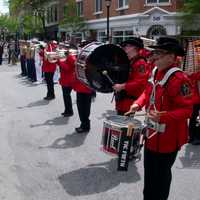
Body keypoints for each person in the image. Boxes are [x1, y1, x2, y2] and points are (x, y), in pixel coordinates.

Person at [125, 37, 193, 200]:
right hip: (151, 134)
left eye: (159, 54)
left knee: (161, 177)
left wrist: (165, 117)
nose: (154, 57)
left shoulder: (180, 79)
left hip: (169, 138)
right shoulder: (155, 72)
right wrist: (137, 104)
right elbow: (147, 93)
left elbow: (187, 110)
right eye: (155, 52)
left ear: (172, 56)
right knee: (149, 175)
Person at [112, 38, 149, 115]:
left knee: (125, 125)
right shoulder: (129, 60)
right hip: (122, 99)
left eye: (127, 45)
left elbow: (141, 83)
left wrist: (122, 86)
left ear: (134, 47)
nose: (125, 47)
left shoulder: (140, 63)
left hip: (129, 101)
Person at [57, 47, 75, 117]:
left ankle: (69, 111)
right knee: (65, 96)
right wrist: (57, 61)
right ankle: (67, 110)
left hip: (68, 80)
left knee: (67, 96)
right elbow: (62, 65)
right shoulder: (66, 57)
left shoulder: (70, 57)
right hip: (65, 79)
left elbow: (67, 68)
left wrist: (60, 61)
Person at [188, 70, 200, 145]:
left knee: (193, 118)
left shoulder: (192, 74)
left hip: (192, 99)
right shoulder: (198, 74)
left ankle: (191, 137)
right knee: (197, 119)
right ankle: (196, 137)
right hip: (197, 99)